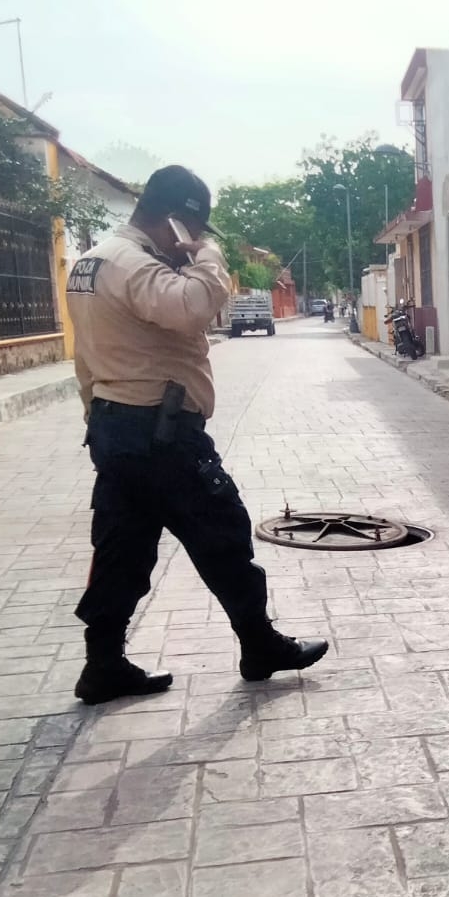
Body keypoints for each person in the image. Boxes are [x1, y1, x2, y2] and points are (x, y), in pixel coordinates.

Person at [66, 165, 328, 705]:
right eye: (191, 229)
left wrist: (96, 416)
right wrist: (206, 253)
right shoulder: (134, 265)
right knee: (222, 531)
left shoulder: (91, 262)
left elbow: (86, 354)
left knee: (122, 547)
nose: (190, 242)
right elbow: (192, 307)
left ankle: (103, 663)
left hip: (116, 425)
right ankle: (260, 646)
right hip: (159, 431)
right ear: (175, 220)